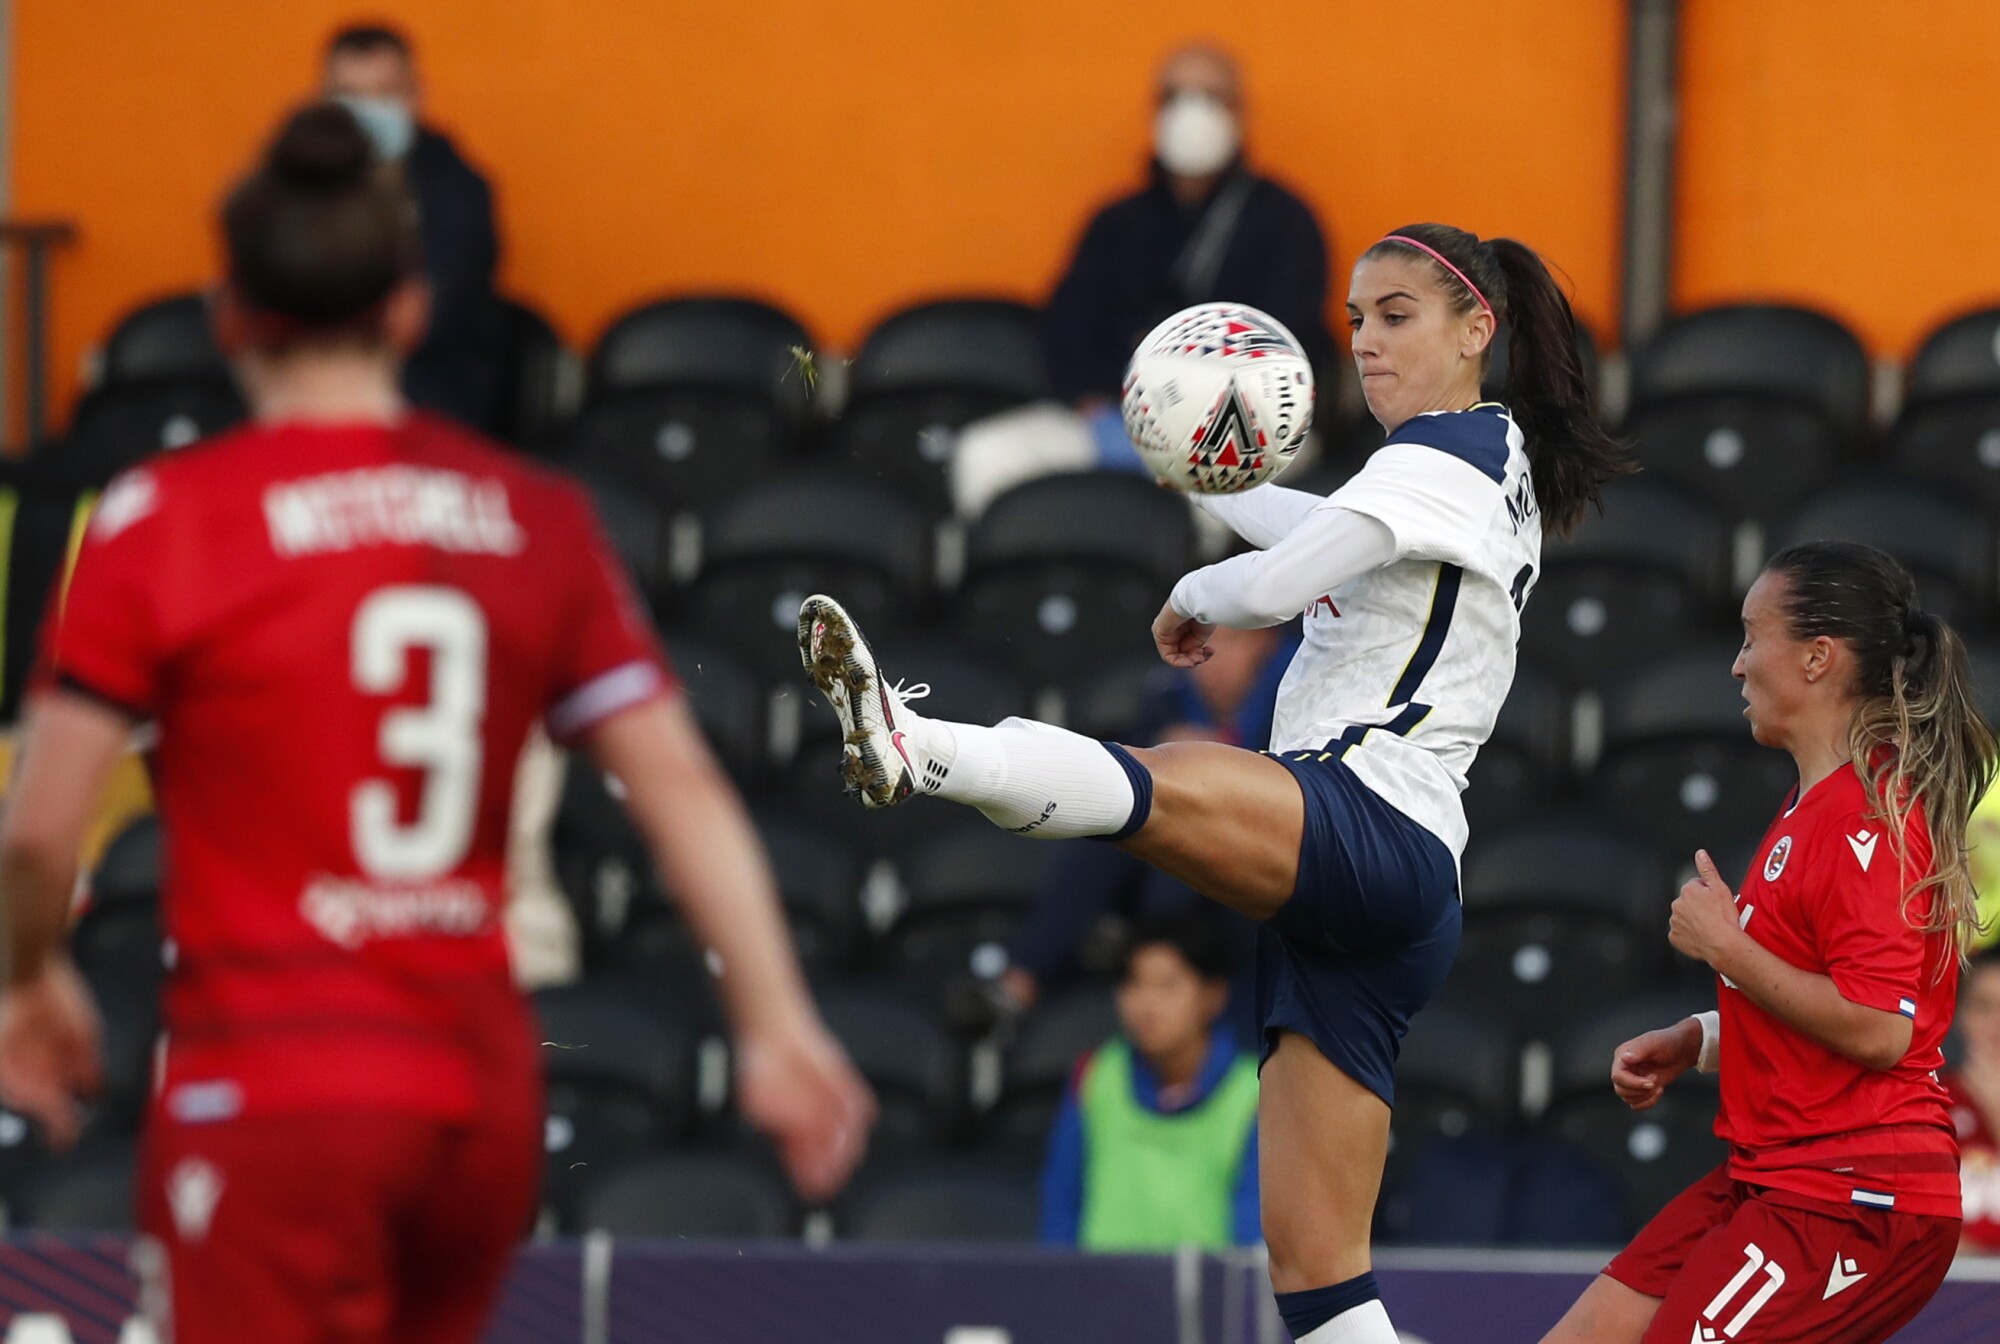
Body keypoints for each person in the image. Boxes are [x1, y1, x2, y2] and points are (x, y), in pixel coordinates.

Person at [0, 104, 871, 1344]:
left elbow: (39, 831)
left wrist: (28, 977)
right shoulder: (535, 516)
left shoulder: (163, 519)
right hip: (473, 1093)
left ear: (229, 314)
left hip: (273, 1085)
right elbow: (678, 786)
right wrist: (775, 1026)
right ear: (409, 308)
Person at [802, 223, 1627, 1343]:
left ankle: (917, 747)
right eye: (1354, 321)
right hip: (1390, 889)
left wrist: (1199, 581)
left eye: (1395, 317)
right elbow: (1309, 530)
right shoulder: (1461, 462)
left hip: (1370, 817)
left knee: (1163, 783)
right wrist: (1212, 467)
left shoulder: (1450, 451)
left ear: (1477, 328)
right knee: (1318, 1278)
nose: (1365, 344)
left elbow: (1279, 580)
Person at [1542, 542, 1999, 1344]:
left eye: (1753, 638)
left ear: (1818, 658)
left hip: (1853, 1196)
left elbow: (1882, 1028)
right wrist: (1701, 1039)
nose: (1736, 665)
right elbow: (1821, 995)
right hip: (1776, 1176)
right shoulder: (1812, 805)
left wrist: (1727, 950)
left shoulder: (1868, 817)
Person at [949, 42, 1333, 518]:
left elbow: (1289, 341)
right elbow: (1066, 327)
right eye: (1175, 96)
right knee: (987, 456)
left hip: (1231, 430)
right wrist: (1096, 404)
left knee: (1223, 502)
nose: (1192, 112)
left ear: (1240, 111)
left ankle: (1192, 595)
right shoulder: (1116, 222)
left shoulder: (1286, 222)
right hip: (1114, 419)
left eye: (1211, 97)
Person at [1000, 624, 1295, 1031]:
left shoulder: (1305, 689)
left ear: (1266, 642)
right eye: (1202, 645)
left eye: (1230, 643)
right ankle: (1033, 972)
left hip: (1272, 872)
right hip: (1179, 885)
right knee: (1108, 817)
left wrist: (1224, 763)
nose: (1212, 662)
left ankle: (1030, 974)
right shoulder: (1167, 697)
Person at [1038, 917, 1260, 1250]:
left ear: (1213, 996)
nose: (1146, 1004)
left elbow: (1254, 1225)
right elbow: (1060, 1206)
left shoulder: (1257, 1092)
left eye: (1167, 985)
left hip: (1209, 1298)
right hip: (1099, 1296)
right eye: (1133, 984)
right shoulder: (1094, 1076)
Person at [324, 22, 503, 432]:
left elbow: (434, 320)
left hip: (430, 400)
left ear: (416, 94)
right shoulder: (298, 184)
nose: (366, 112)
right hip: (317, 400)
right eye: (349, 97)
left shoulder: (460, 190)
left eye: (384, 93)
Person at [1943, 948, 2000, 1252]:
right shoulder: (1929, 1105)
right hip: (1950, 1292)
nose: (1997, 1023)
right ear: (1959, 1015)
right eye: (1983, 1006)